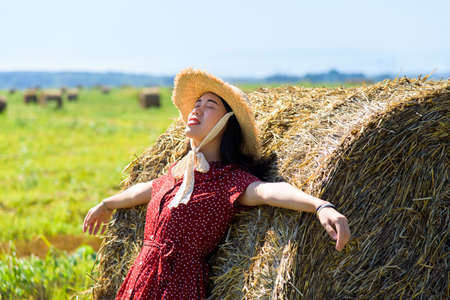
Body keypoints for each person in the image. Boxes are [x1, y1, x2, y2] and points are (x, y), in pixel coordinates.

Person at [83, 68, 351, 300]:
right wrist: (107, 204)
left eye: (209, 105)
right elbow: (147, 190)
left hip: (178, 287)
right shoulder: (180, 171)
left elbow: (271, 191)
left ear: (226, 123)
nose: (197, 108)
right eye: (196, 103)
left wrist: (320, 206)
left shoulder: (228, 181)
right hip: (140, 280)